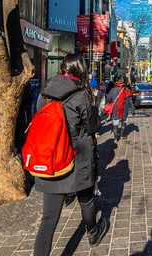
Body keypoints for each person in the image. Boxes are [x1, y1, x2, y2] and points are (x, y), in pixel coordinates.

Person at [33, 54, 108, 254]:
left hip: (51, 154)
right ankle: (93, 231)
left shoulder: (45, 91)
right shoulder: (81, 94)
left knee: (48, 218)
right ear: (79, 69)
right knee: (86, 198)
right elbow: (92, 126)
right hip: (78, 154)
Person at [106, 76, 132, 145]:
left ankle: (115, 139)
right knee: (124, 121)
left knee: (115, 122)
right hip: (125, 109)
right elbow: (130, 100)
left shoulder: (113, 90)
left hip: (116, 109)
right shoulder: (126, 90)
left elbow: (108, 99)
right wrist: (132, 109)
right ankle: (121, 135)